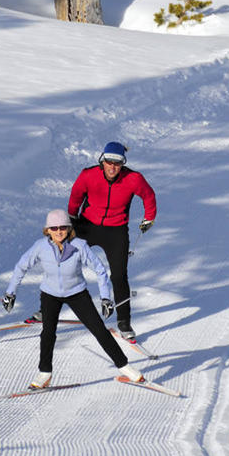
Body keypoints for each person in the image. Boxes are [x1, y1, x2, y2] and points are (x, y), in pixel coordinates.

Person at [2, 208, 143, 389]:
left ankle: (125, 367)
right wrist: (10, 293)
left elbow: (100, 270)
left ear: (69, 228)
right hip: (50, 295)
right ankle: (45, 373)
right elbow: (21, 266)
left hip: (77, 293)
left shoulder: (79, 245)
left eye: (63, 227)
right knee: (48, 333)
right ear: (47, 230)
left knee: (99, 330)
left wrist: (105, 298)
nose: (58, 231)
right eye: (54, 228)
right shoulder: (40, 246)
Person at [67, 141, 156, 339]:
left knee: (119, 276)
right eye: (109, 162)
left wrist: (149, 217)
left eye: (118, 163)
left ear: (123, 164)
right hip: (87, 225)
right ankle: (46, 310)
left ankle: (124, 323)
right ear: (102, 160)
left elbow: (148, 196)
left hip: (116, 230)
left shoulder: (133, 178)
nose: (113, 167)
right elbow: (76, 195)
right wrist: (72, 218)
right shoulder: (88, 175)